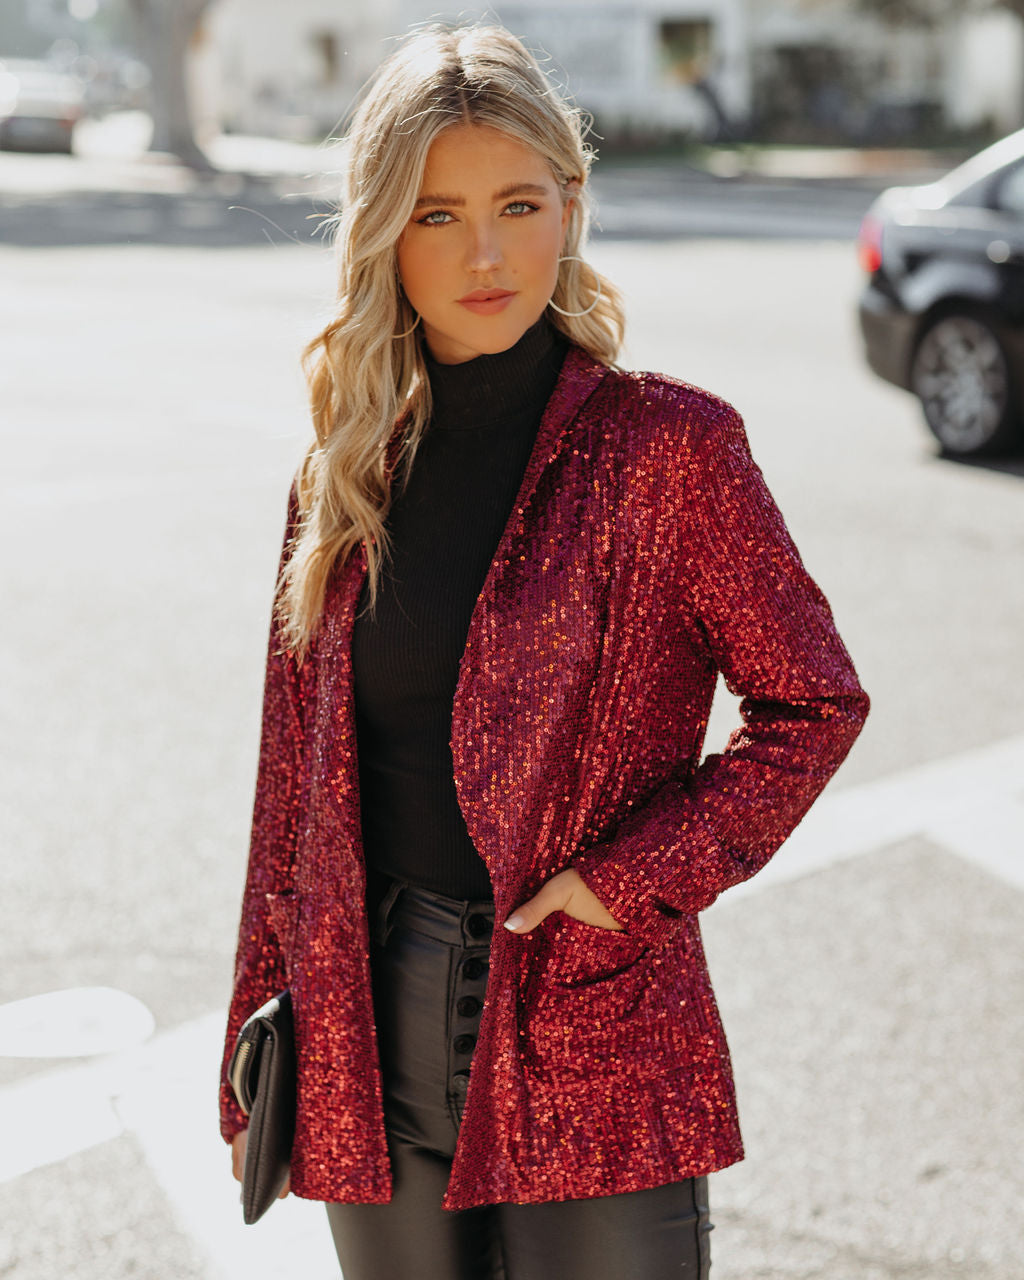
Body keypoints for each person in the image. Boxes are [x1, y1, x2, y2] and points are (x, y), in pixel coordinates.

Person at [219, 21, 870, 1280]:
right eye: (437, 214)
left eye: (518, 204)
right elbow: (289, 795)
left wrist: (630, 879)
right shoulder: (341, 478)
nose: (485, 252)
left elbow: (813, 701)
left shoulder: (669, 450)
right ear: (383, 232)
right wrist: (258, 1027)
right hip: (369, 1022)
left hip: (591, 1013)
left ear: (569, 205)